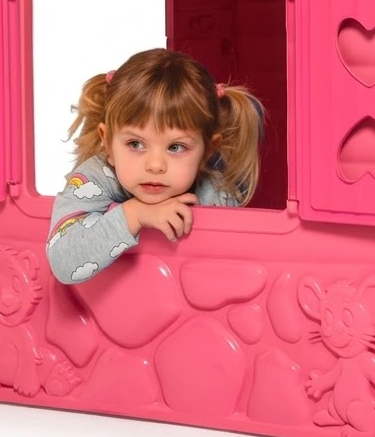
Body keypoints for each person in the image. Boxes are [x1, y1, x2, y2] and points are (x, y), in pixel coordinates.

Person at [47, 48, 264, 284]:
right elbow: (63, 261)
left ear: (207, 151)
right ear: (107, 142)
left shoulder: (217, 192)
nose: (155, 165)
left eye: (175, 147)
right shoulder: (95, 179)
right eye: (136, 144)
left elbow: (236, 272)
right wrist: (135, 214)